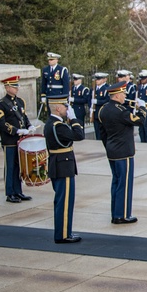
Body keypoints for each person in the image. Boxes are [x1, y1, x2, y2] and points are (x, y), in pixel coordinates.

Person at [98, 80, 146, 224]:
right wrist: (142, 108)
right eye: (123, 93)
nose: (125, 96)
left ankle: (116, 213)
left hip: (112, 150)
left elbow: (102, 133)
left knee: (116, 183)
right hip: (124, 152)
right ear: (117, 95)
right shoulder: (121, 111)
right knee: (124, 184)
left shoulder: (103, 109)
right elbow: (139, 121)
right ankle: (122, 215)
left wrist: (109, 147)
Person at [43, 93, 86, 243]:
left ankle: (64, 232)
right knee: (65, 201)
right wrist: (74, 119)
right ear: (57, 107)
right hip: (63, 166)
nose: (67, 109)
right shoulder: (58, 126)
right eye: (65, 106)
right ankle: (62, 235)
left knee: (63, 200)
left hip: (60, 164)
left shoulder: (52, 123)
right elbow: (79, 135)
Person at [0, 75, 34, 203]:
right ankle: (9, 192)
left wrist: (29, 125)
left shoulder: (20, 101)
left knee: (19, 166)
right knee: (10, 167)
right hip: (9, 140)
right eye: (13, 86)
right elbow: (0, 122)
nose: (16, 88)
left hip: (20, 140)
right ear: (7, 87)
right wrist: (16, 130)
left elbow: (23, 117)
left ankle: (18, 191)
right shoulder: (1, 104)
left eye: (17, 86)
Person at [40, 52, 70, 119]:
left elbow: (66, 86)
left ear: (56, 60)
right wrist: (43, 95)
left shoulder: (62, 70)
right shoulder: (46, 69)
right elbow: (44, 84)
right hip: (49, 96)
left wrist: (64, 98)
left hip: (58, 97)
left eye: (51, 60)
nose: (49, 61)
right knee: (50, 114)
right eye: (49, 60)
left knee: (59, 114)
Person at [91, 72, 109, 140]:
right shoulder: (94, 89)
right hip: (95, 112)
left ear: (104, 80)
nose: (97, 81)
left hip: (102, 112)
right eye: (97, 79)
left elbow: (107, 101)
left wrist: (97, 102)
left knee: (103, 130)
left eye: (99, 79)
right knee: (96, 130)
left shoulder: (106, 88)